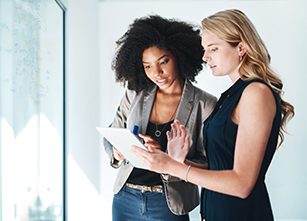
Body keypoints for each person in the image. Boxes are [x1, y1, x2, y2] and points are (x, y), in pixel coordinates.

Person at [131, 9, 295, 221]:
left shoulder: (256, 93)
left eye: (213, 49)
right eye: (204, 49)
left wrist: (171, 167)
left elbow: (242, 184)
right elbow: (220, 166)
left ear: (241, 48)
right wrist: (180, 162)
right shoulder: (230, 95)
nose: (205, 57)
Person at [103, 15, 217, 221]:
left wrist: (170, 158)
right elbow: (112, 133)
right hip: (125, 197)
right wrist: (117, 152)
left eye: (163, 61)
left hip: (168, 202)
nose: (157, 73)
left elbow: (210, 163)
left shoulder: (205, 104)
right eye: (147, 66)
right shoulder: (135, 92)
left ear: (179, 56)